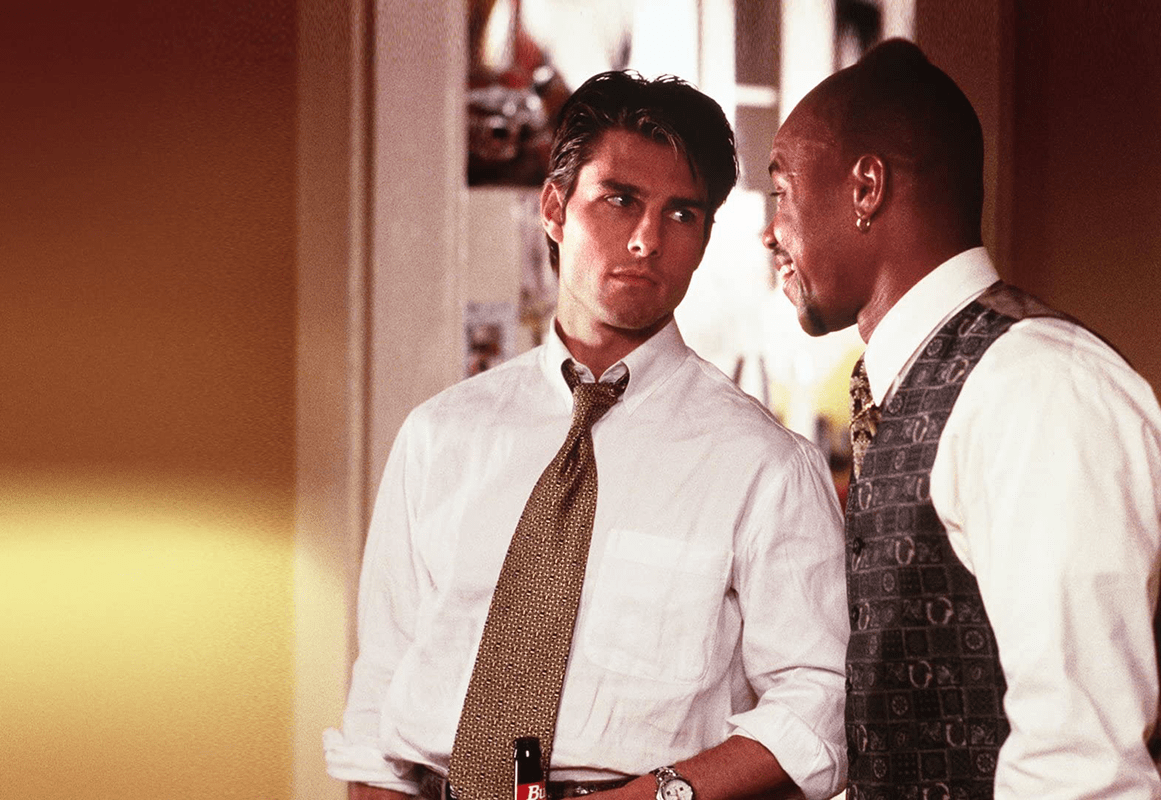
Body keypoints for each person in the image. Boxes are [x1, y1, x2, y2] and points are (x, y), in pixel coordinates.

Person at [325, 71, 849, 800]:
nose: (646, 240)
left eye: (682, 214)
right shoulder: (438, 439)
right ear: (553, 208)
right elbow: (380, 701)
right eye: (619, 200)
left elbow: (816, 706)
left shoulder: (767, 467)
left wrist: (656, 797)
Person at [763, 38, 1161, 800]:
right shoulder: (907, 384)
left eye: (780, 191)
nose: (769, 229)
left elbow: (1080, 767)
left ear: (866, 187)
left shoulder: (1037, 389)